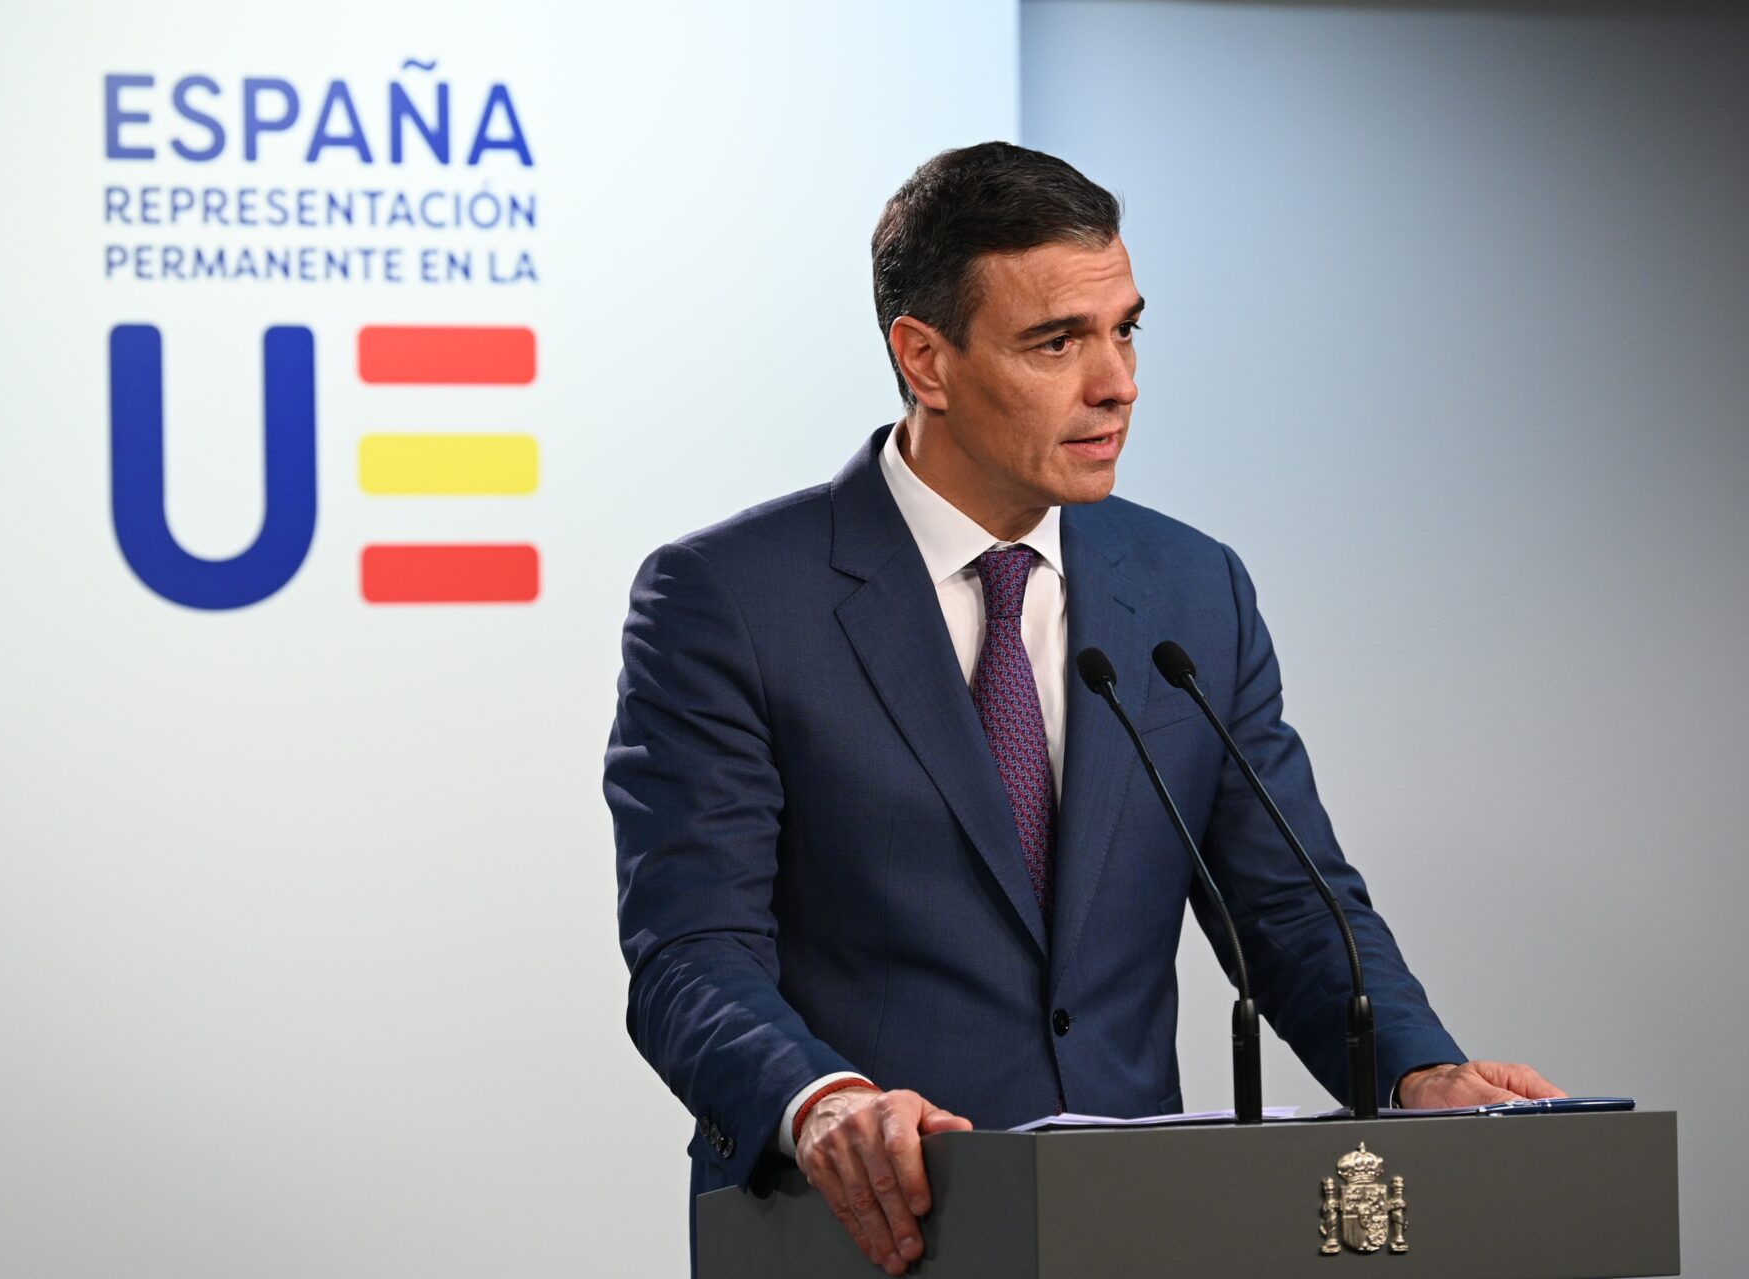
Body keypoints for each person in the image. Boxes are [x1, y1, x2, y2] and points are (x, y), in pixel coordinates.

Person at [604, 142, 1563, 1276]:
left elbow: (1290, 909)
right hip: (866, 1232)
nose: (1117, 383)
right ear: (926, 359)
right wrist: (821, 1100)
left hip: (1133, 1229)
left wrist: (1416, 1071)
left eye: (1126, 330)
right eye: (1058, 342)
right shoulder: (730, 598)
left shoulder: (1193, 587)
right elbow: (691, 949)